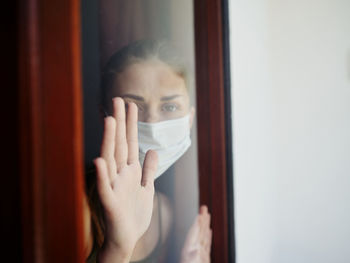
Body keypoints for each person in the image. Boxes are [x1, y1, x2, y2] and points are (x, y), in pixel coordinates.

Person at [84, 40, 212, 263]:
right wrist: (117, 248)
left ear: (189, 119)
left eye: (170, 107)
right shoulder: (79, 207)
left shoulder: (165, 212)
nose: (152, 123)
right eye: (130, 107)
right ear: (103, 114)